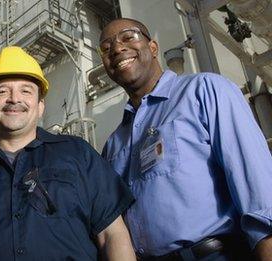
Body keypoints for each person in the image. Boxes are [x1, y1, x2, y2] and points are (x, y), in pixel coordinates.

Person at [0, 46, 136, 260]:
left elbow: (112, 234)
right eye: (2, 91)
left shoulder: (78, 153)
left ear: (40, 106)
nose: (14, 99)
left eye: (26, 91)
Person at [99, 18, 272, 260]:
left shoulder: (205, 90)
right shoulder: (113, 145)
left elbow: (259, 189)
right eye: (106, 48)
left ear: (153, 48)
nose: (117, 49)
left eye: (128, 37)